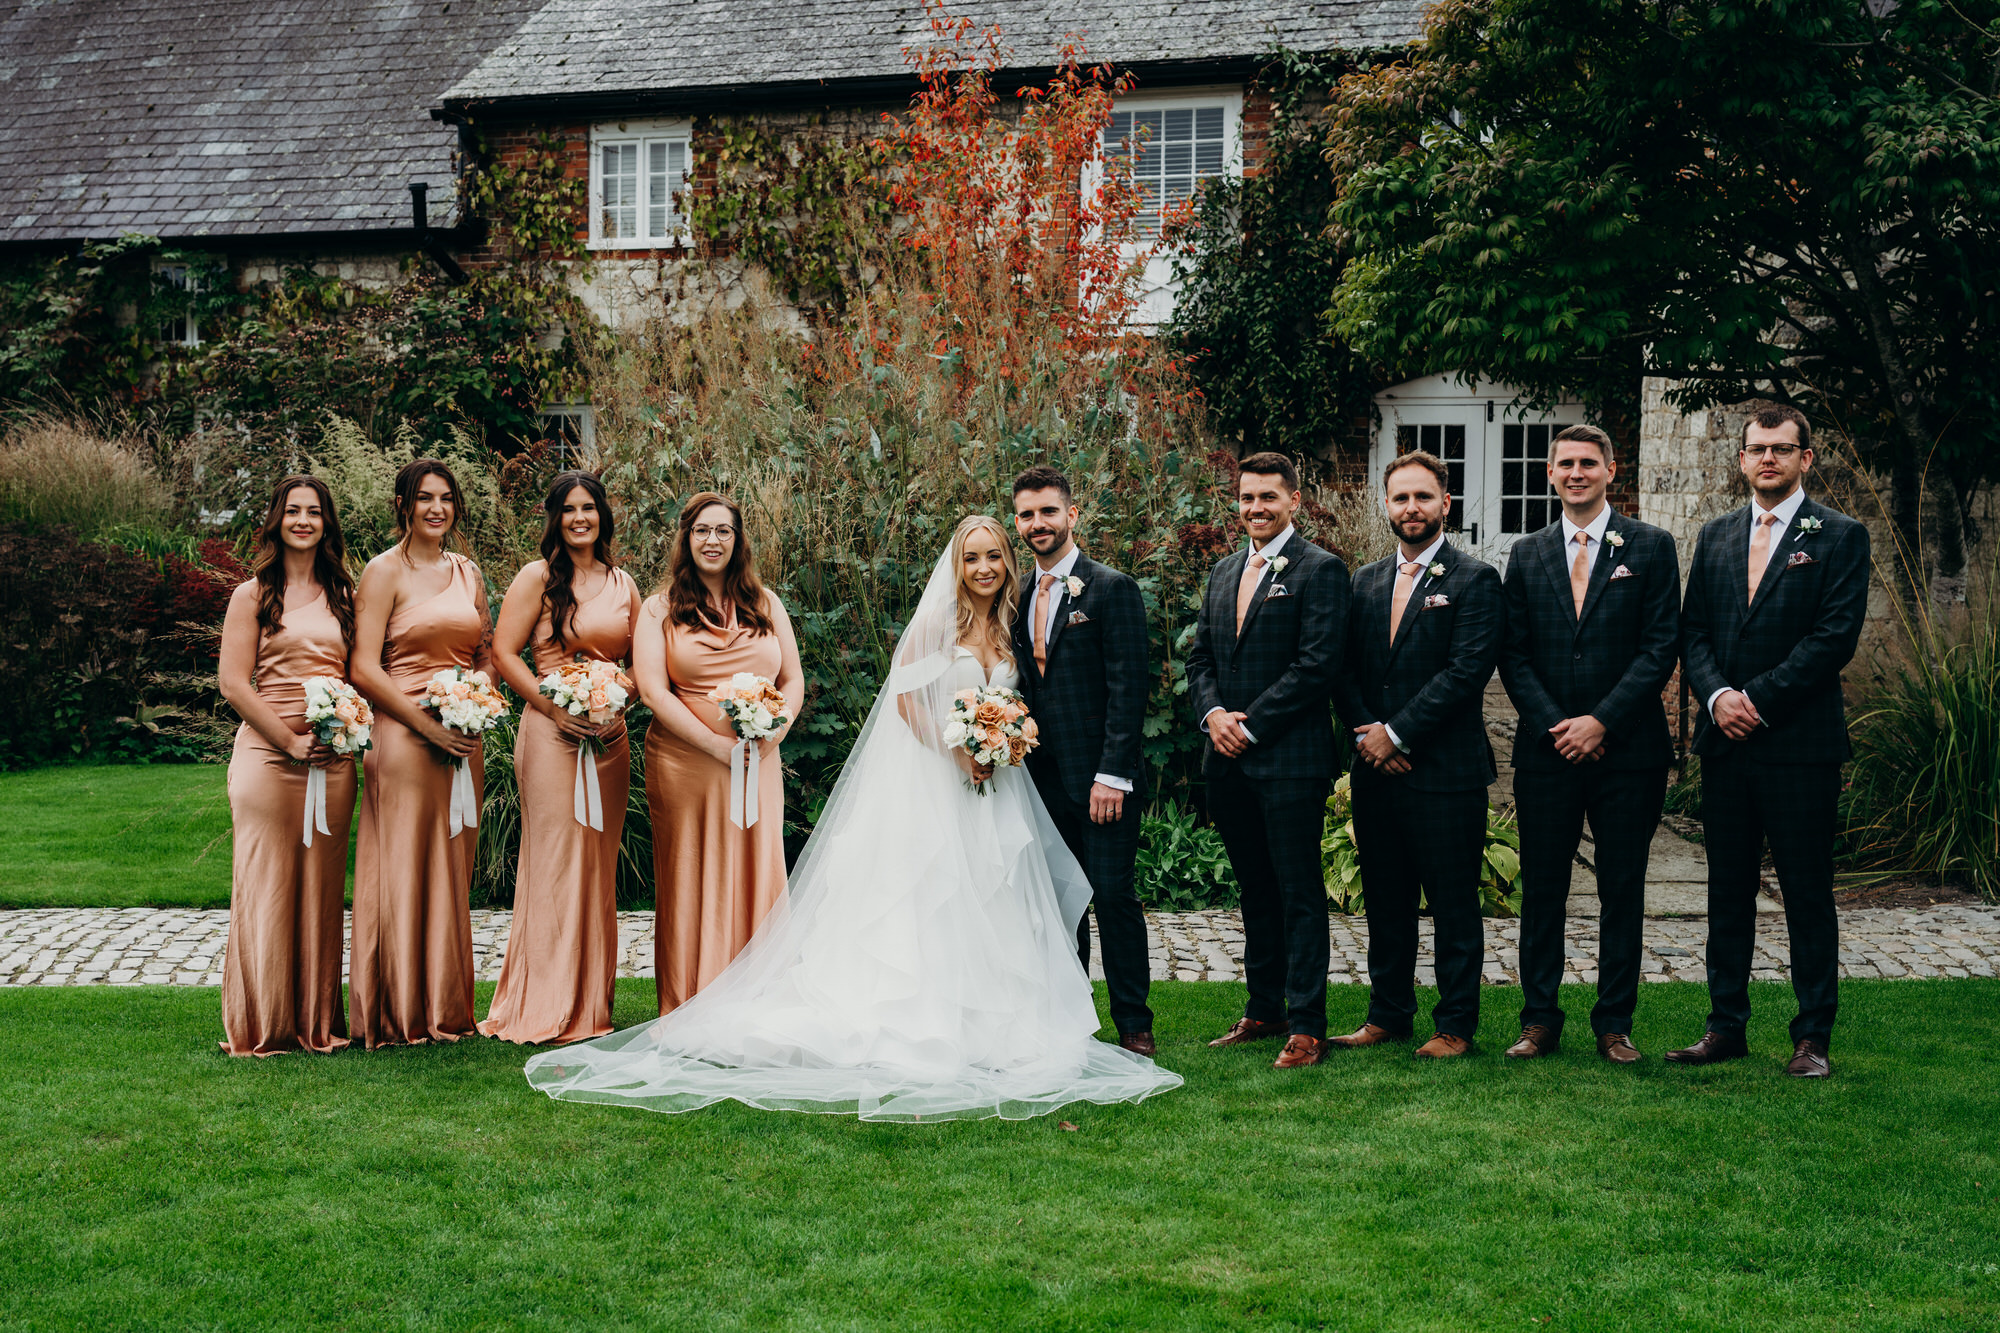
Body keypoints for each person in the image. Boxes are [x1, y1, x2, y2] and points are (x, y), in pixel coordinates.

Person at [521, 515, 1183, 1121]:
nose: (983, 567)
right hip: (940, 783)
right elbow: (905, 700)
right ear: (957, 565)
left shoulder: (1010, 623)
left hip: (997, 792)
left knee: (996, 898)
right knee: (932, 899)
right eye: (971, 557)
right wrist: (956, 750)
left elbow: (1021, 700)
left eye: (993, 557)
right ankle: (921, 1022)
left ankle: (995, 1022)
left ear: (1007, 563)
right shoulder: (938, 622)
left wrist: (1002, 741)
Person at [1669, 404, 1868, 1079]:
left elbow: (1833, 638)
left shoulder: (1840, 535)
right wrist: (1718, 697)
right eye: (1757, 448)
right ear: (1743, 458)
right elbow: (1694, 630)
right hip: (1726, 744)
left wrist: (1756, 699)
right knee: (1727, 892)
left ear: (1805, 457)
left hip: (1799, 745)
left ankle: (1812, 1037)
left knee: (1806, 893)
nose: (1768, 459)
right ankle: (1725, 1026)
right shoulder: (1717, 534)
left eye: (1781, 448)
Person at [1498, 425, 1680, 1064]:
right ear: (1550, 473)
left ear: (1610, 470)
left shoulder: (1651, 546)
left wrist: (1601, 721)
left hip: (1629, 751)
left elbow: (1660, 645)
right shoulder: (1527, 553)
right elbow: (1513, 653)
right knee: (1543, 888)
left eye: (1588, 463)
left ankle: (1614, 1023)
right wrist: (1559, 725)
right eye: (1566, 463)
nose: (1577, 473)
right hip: (1546, 751)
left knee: (1621, 888)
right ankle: (1538, 1020)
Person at [1330, 450, 1504, 1059]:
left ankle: (1454, 1024)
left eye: (1423, 497)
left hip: (1446, 771)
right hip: (1376, 771)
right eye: (1401, 497)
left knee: (1454, 905)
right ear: (1386, 504)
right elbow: (1342, 668)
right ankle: (1388, 1014)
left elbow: (1465, 673)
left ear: (1445, 504)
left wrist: (1397, 734)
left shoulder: (1475, 580)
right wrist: (1368, 737)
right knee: (1386, 900)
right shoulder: (1365, 581)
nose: (1411, 507)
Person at [1186, 452, 1350, 1069]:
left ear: (1294, 501)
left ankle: (1307, 1025)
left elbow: (1317, 665)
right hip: (1226, 761)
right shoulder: (1224, 571)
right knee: (1255, 890)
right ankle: (1264, 1009)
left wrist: (1248, 726)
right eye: (1247, 498)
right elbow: (1201, 659)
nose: (1256, 508)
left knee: (1298, 893)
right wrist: (1213, 716)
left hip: (1288, 760)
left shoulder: (1321, 569)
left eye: (1268, 497)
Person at [480, 472, 641, 1046]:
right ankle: (543, 1002)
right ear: (555, 517)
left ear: (602, 515)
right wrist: (554, 707)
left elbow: (643, 660)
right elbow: (504, 653)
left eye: (589, 508)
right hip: (551, 736)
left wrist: (616, 698)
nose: (580, 518)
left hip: (609, 739)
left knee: (597, 864)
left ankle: (590, 1003)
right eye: (569, 509)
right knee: (553, 861)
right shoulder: (538, 577)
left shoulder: (623, 583)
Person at [633, 493, 803, 1015]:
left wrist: (774, 733)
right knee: (693, 874)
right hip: (687, 766)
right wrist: (716, 745)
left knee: (758, 868)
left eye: (723, 531)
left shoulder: (766, 604)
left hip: (759, 764)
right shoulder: (659, 609)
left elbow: (793, 679)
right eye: (702, 530)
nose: (713, 540)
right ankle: (693, 1001)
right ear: (686, 539)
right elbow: (652, 692)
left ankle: (762, 1002)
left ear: (738, 539)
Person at [1008, 466, 1156, 1054]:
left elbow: (1129, 688)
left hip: (1102, 780)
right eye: (1026, 514)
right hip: (1039, 781)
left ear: (1072, 514)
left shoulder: (1111, 588)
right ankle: (1073, 1024)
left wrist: (1112, 775)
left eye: (1048, 511)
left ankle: (1134, 1024)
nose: (1037, 523)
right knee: (1060, 904)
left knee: (1113, 897)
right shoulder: (1015, 595)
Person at [348, 458, 494, 1049]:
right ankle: (398, 1010)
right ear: (403, 506)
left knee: (452, 867)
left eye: (447, 498)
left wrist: (476, 702)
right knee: (403, 868)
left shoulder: (468, 572)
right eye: (425, 498)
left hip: (462, 738)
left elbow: (484, 652)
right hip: (404, 737)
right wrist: (427, 728)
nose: (438, 508)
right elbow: (363, 667)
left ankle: (446, 1007)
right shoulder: (383, 571)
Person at [215, 475, 358, 1056]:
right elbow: (233, 683)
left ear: (327, 523)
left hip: (333, 758)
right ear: (277, 520)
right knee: (267, 886)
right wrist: (289, 742)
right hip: (268, 759)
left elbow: (359, 673)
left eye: (314, 512)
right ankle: (264, 1023)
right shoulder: (252, 595)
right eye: (294, 511)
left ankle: (315, 1021)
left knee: (321, 888)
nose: (304, 521)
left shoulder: (345, 594)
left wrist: (344, 729)